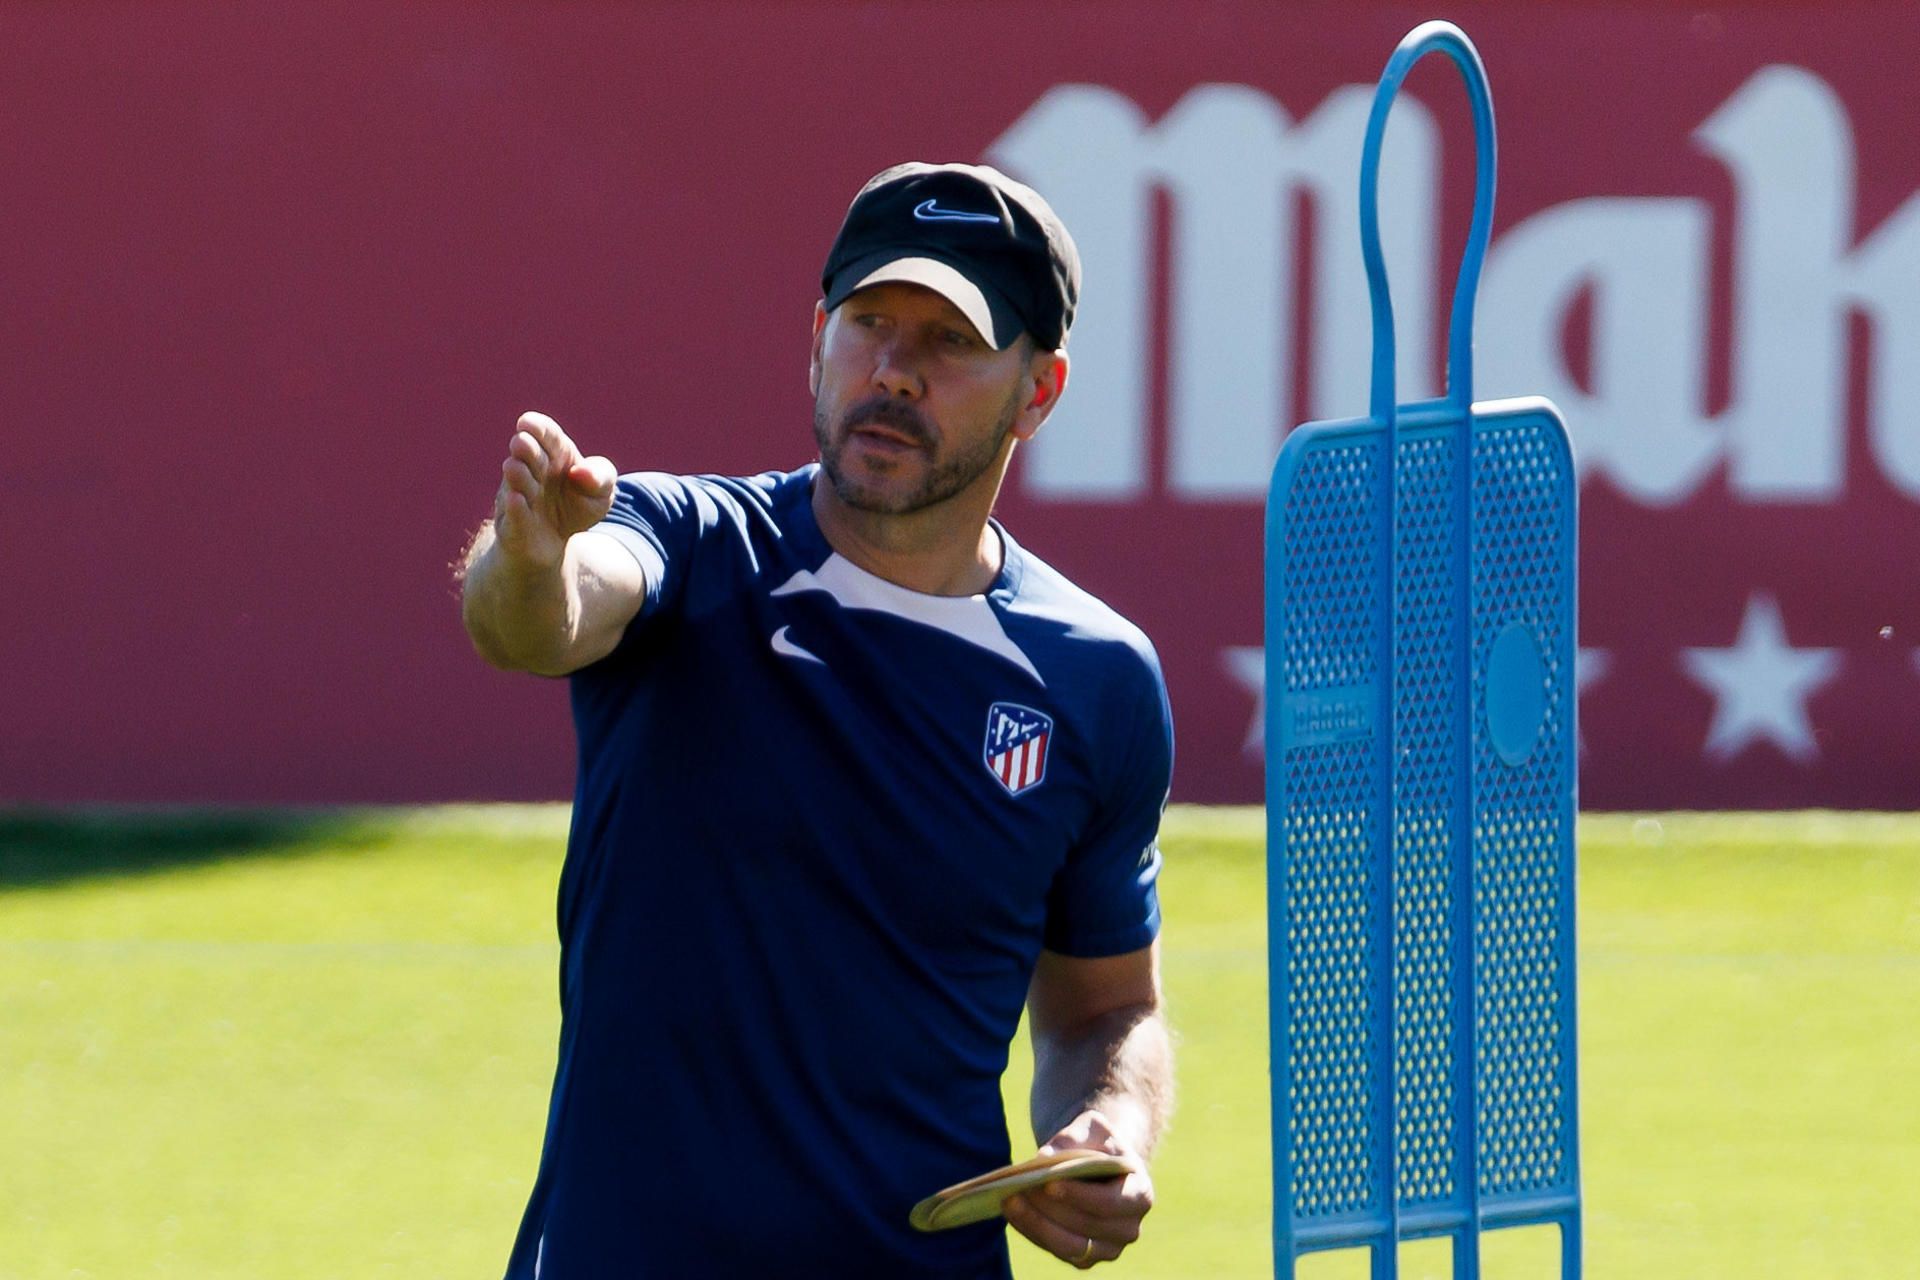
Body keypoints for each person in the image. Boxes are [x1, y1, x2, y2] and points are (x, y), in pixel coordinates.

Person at [458, 161, 1175, 1278]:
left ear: (1040, 391)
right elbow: (539, 620)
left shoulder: (1097, 678)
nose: (893, 370)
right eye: (870, 322)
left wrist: (1109, 1124)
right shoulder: (693, 543)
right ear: (816, 338)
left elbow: (1106, 1006)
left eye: (951, 342)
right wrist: (533, 554)